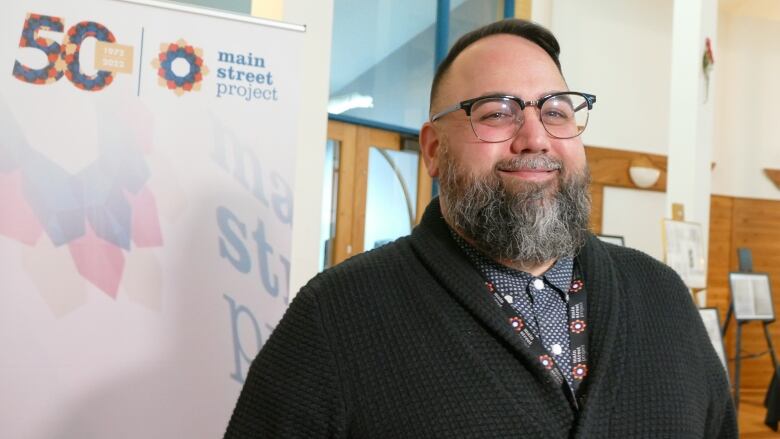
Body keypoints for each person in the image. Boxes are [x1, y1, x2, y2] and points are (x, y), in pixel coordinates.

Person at [224, 19, 736, 438]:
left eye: (556, 110)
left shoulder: (661, 296)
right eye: (496, 113)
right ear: (432, 151)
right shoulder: (335, 317)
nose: (535, 137)